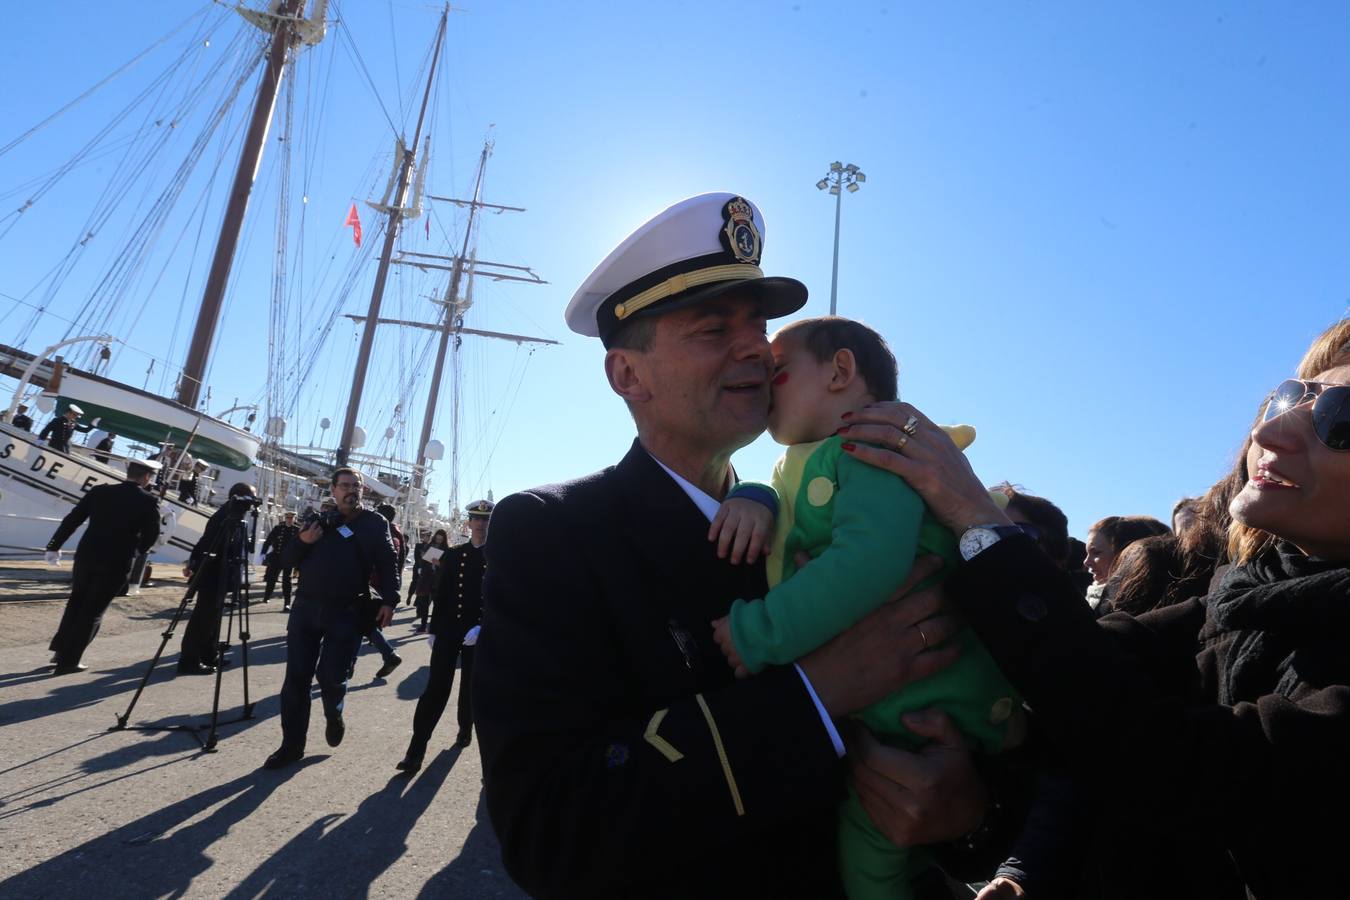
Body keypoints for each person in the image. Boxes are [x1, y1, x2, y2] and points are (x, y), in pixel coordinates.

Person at [473, 193, 984, 899]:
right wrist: (818, 692)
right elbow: (551, 831)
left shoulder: (831, 515)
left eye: (760, 326)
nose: (757, 348)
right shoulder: (555, 531)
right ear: (628, 375)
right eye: (714, 329)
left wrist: (966, 811)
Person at [832, 317, 1350, 900]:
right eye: (1291, 397)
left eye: (1340, 422)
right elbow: (1093, 669)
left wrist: (977, 518)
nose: (1274, 428)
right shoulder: (1243, 595)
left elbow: (1175, 767)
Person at [707, 315, 1020, 900]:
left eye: (778, 372)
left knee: (870, 860)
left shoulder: (876, 447)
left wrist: (759, 633)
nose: (763, 386)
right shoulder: (824, 454)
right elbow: (786, 494)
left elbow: (869, 563)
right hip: (893, 717)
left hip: (925, 712)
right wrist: (751, 497)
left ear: (840, 372)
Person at [262, 467, 400, 770]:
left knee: (332, 676)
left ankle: (334, 712)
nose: (351, 490)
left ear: (363, 491)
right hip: (306, 610)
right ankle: (291, 746)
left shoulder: (375, 524)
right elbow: (286, 560)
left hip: (346, 612)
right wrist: (303, 542)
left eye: (357, 486)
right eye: (345, 485)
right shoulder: (316, 520)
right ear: (334, 491)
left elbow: (389, 563)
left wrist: (390, 600)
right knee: (296, 679)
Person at [396, 499, 493, 773]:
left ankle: (465, 727)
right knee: (436, 688)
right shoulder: (455, 554)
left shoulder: (499, 555)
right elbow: (443, 593)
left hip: (479, 631)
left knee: (471, 688)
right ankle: (416, 750)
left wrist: (484, 625)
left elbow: (501, 595)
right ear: (468, 522)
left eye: (485, 520)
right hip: (451, 627)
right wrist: (434, 629)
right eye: (476, 519)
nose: (480, 524)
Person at [45, 459, 162, 673]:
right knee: (94, 610)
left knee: (76, 602)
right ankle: (69, 660)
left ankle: (60, 650)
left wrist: (54, 545)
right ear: (147, 477)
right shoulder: (148, 501)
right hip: (116, 560)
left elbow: (73, 519)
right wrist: (137, 550)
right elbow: (151, 535)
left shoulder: (100, 492)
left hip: (87, 555)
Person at [178, 482, 256, 674]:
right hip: (213, 575)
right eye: (250, 498)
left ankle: (209, 654)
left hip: (222, 575)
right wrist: (194, 563)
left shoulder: (236, 517)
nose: (253, 503)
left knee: (213, 619)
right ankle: (189, 661)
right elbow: (208, 542)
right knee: (202, 619)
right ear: (238, 497)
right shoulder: (223, 517)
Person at [1082, 514, 1170, 612]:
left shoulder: (1136, 610)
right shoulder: (1088, 603)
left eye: (1096, 553)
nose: (1086, 562)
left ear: (1125, 555)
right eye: (1087, 553)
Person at [360, 503, 406, 679]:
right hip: (385, 584)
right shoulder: (398, 533)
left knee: (363, 623)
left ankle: (389, 655)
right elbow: (399, 562)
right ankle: (387, 655)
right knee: (364, 623)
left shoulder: (381, 531)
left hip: (371, 584)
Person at [260, 511, 300, 609]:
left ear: (294, 519)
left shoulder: (297, 530)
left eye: (291, 518)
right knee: (271, 579)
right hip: (276, 557)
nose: (289, 520)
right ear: (285, 518)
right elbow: (268, 541)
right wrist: (263, 553)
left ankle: (287, 603)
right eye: (287, 518)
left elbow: (300, 545)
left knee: (287, 581)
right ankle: (266, 597)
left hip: (288, 559)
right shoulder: (278, 528)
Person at [411, 529, 446, 633]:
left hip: (438, 580)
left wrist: (439, 564)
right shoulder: (428, 547)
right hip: (426, 578)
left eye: (441, 539)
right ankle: (423, 625)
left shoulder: (447, 550)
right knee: (424, 604)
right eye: (437, 538)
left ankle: (435, 625)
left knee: (437, 604)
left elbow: (448, 566)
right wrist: (423, 558)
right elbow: (421, 562)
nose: (438, 540)